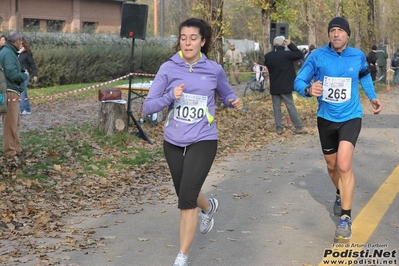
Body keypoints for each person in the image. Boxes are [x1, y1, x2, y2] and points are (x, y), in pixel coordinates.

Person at [142, 18, 243, 266]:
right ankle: (208, 208)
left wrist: (233, 101)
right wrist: (169, 96)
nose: (187, 42)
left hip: (204, 138)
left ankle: (182, 256)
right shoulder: (168, 68)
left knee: (186, 197)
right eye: (183, 38)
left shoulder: (214, 70)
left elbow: (226, 92)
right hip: (173, 140)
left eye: (193, 38)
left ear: (203, 41)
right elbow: (147, 107)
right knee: (187, 190)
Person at [294, 17, 383, 243]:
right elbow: (299, 81)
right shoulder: (317, 56)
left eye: (340, 31)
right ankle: (339, 192)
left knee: (344, 164)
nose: (336, 34)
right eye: (332, 30)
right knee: (332, 165)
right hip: (326, 117)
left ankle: (345, 218)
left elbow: (363, 75)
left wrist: (372, 97)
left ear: (347, 35)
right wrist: (307, 89)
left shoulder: (358, 55)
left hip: (351, 116)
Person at [264, 35, 305, 135]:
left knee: (276, 108)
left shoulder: (268, 56)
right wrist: (290, 44)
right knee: (290, 106)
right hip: (286, 86)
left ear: (273, 44)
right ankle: (298, 127)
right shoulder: (287, 55)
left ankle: (279, 128)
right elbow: (299, 54)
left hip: (274, 85)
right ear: (283, 43)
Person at [0, 32, 29, 159]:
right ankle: (9, 153)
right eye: (21, 42)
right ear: (17, 41)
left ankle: (16, 148)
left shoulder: (8, 52)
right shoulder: (8, 54)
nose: (21, 44)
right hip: (9, 90)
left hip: (11, 90)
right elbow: (12, 74)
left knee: (16, 122)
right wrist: (24, 76)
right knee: (10, 124)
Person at [19, 37, 38, 115]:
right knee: (24, 92)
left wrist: (35, 75)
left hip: (25, 74)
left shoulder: (27, 53)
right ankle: (27, 109)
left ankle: (22, 109)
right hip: (18, 74)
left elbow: (32, 64)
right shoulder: (16, 53)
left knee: (21, 90)